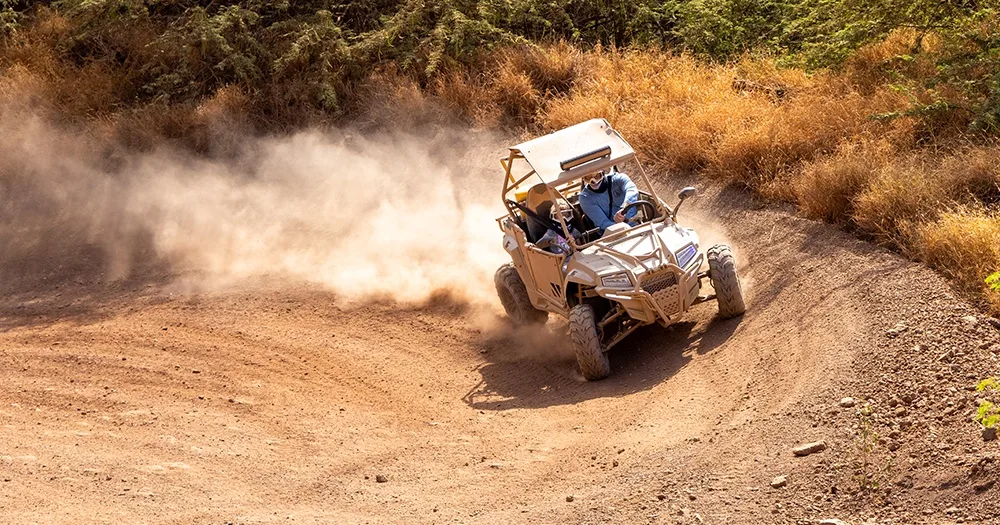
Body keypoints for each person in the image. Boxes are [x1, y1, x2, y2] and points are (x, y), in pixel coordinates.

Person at [578, 169, 639, 234]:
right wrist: (624, 228)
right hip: (613, 233)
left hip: (636, 224)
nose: (593, 181)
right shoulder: (585, 197)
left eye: (597, 176)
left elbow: (632, 189)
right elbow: (603, 223)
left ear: (603, 173)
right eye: (588, 178)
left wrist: (625, 207)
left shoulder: (619, 179)